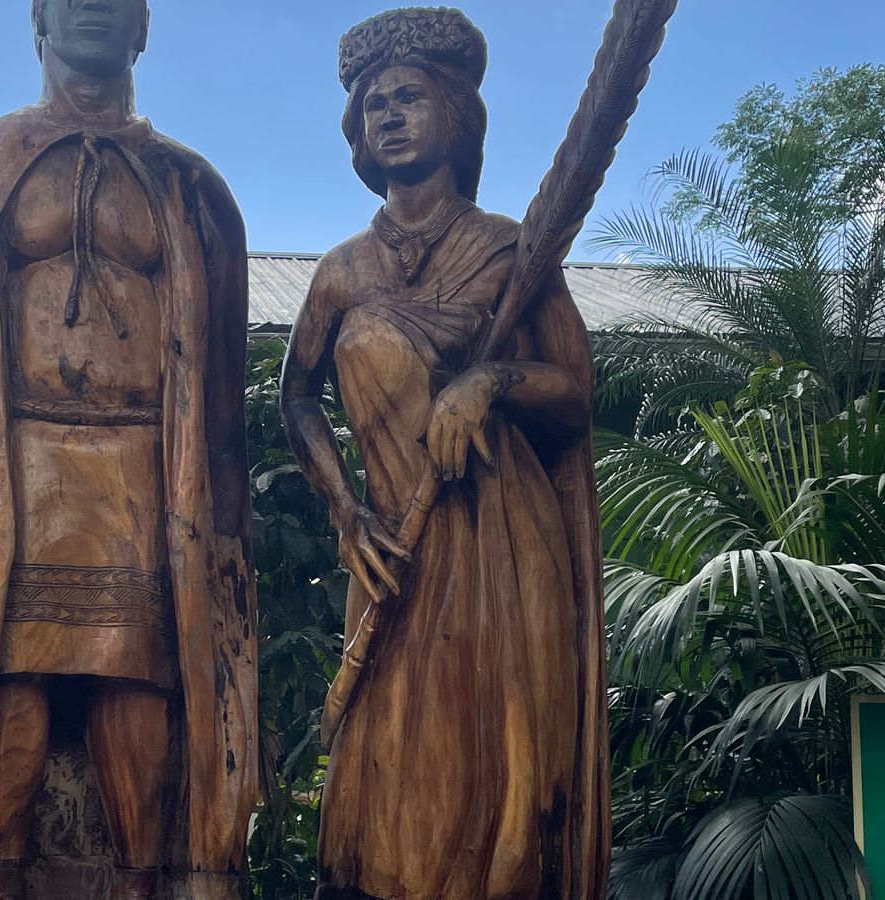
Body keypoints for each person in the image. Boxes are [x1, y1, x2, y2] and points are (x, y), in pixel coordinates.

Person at [0, 2, 257, 898]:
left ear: (145, 28)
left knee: (135, 676)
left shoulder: (194, 189)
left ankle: (143, 879)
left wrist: (224, 537)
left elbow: (222, 396)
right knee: (4, 672)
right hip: (9, 467)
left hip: (145, 472)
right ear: (37, 20)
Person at [281, 9, 608, 898]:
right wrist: (346, 513)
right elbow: (297, 397)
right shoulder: (342, 271)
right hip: (394, 546)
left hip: (502, 541)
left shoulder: (510, 254)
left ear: (455, 115)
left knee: (499, 765)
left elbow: (574, 394)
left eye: (408, 97)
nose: (387, 114)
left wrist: (491, 381)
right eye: (373, 104)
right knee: (390, 767)